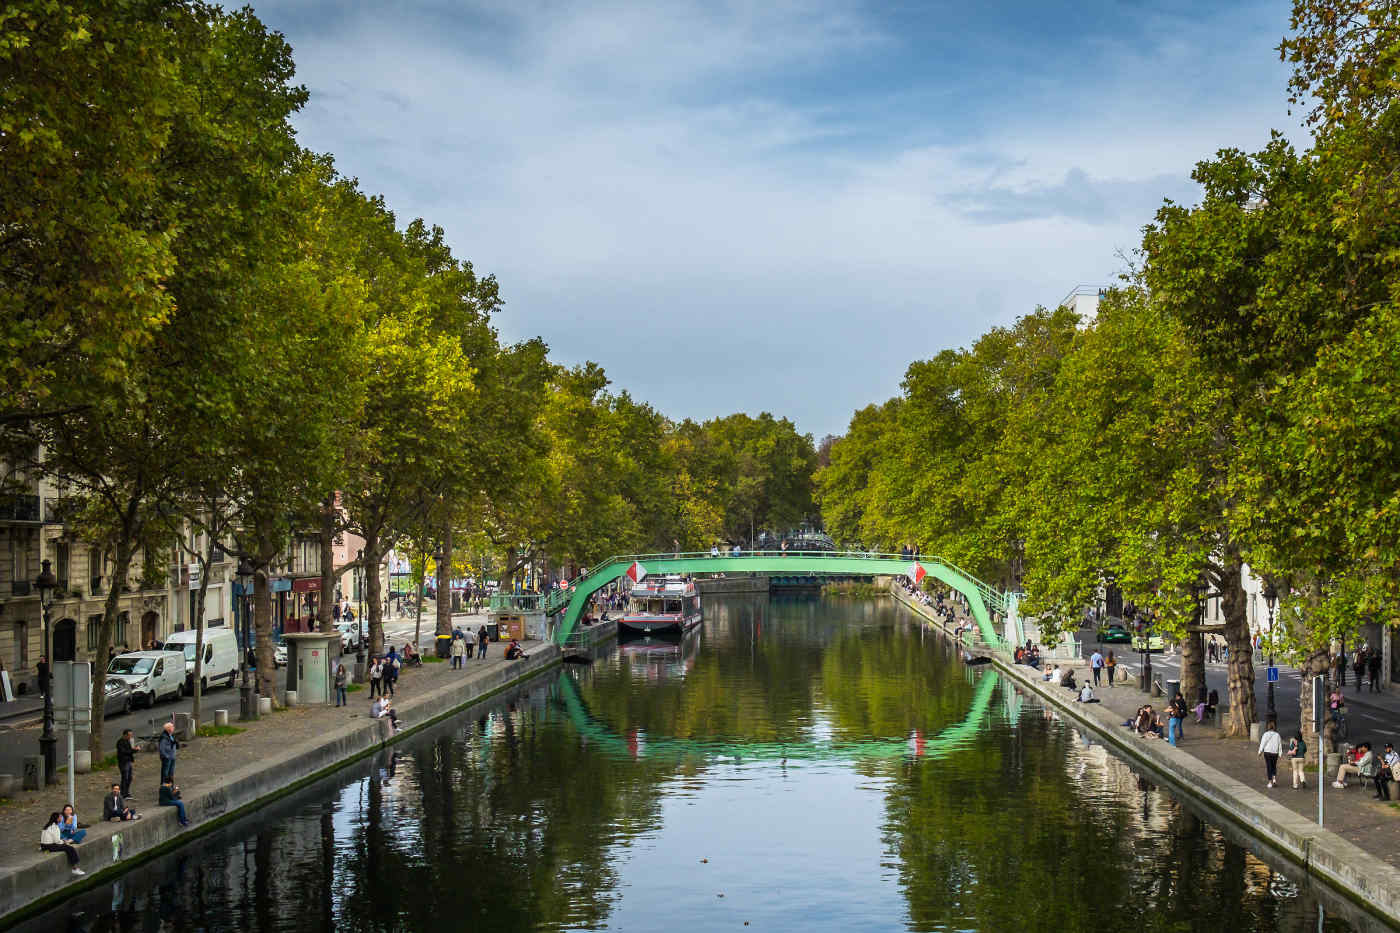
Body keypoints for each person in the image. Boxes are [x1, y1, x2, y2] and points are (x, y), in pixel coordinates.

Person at [1258, 719, 1282, 788]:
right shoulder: (1277, 735)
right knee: (1274, 766)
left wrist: (1260, 752)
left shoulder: (1265, 734)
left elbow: (1262, 743)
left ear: (1268, 727)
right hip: (1275, 753)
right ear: (1274, 727)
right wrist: (1280, 753)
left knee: (1269, 767)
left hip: (1267, 752)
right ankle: (1274, 779)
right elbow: (1279, 744)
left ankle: (1270, 782)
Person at [116, 728, 139, 799]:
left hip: (128, 761)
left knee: (129, 778)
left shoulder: (128, 741)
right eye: (129, 735)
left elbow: (130, 750)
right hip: (123, 762)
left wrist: (135, 750)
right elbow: (124, 752)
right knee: (125, 778)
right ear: (125, 735)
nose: (130, 737)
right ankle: (123, 793)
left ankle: (126, 791)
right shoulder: (120, 742)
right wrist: (133, 750)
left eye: (131, 735)